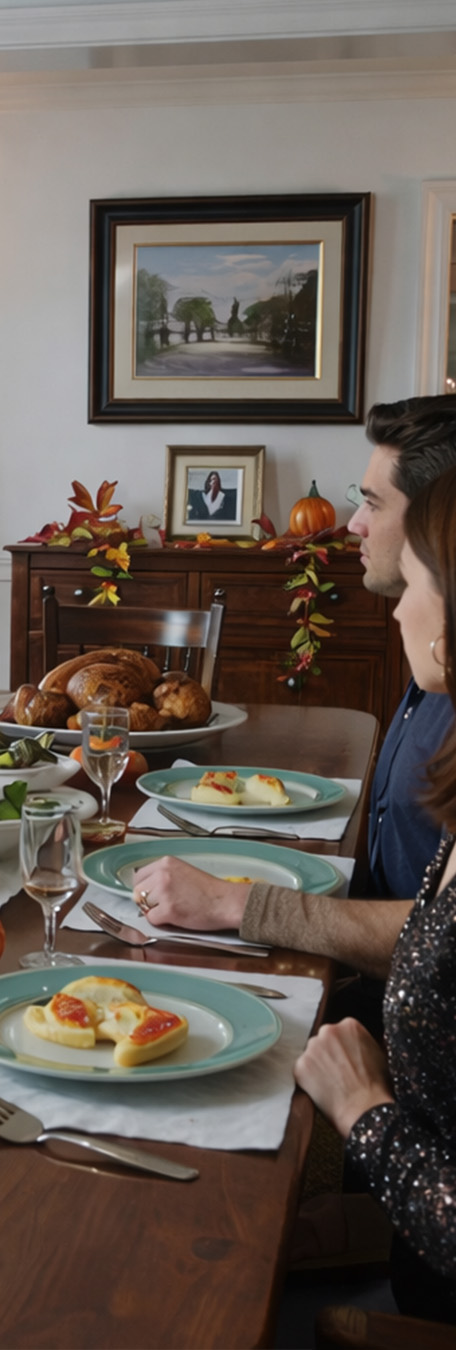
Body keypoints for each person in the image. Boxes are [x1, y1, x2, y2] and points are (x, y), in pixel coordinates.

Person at [135, 395, 456, 940]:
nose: (354, 522)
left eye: (374, 504)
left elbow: (439, 944)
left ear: (439, 523)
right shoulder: (435, 665)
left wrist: (240, 904)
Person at [295, 464, 456, 1323]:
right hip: (395, 1242)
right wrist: (359, 1214)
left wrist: (364, 1111)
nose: (397, 608)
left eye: (420, 585)